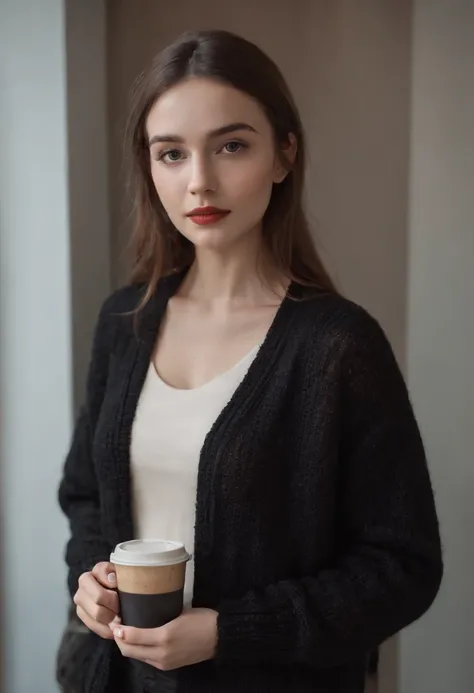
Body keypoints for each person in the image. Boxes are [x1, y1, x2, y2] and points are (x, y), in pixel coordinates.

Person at [58, 29, 443, 693]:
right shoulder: (124, 323)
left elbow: (401, 566)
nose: (199, 180)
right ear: (149, 167)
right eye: (171, 153)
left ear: (283, 154)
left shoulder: (337, 346)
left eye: (231, 145)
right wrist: (92, 580)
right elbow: (88, 495)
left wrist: (229, 630)